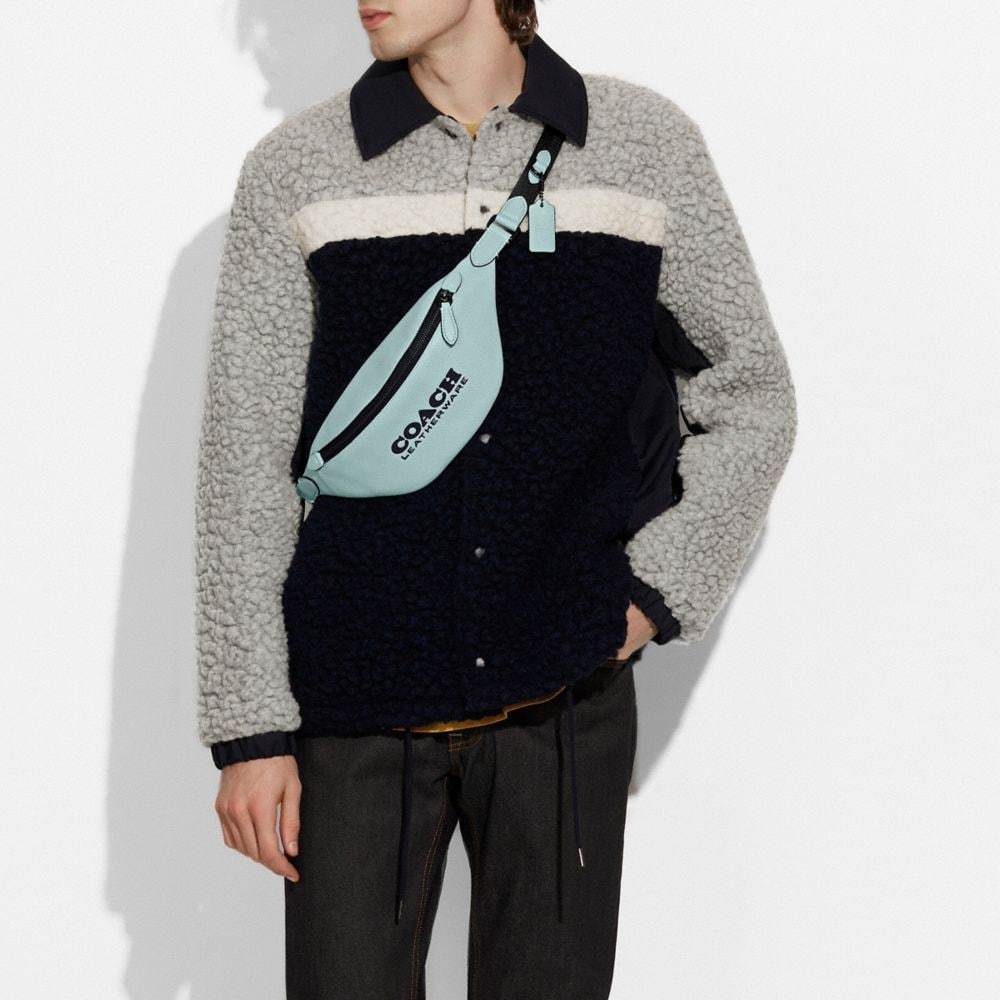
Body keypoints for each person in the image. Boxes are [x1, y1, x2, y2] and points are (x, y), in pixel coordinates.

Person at [194, 1, 797, 997]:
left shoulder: (643, 145)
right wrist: (249, 731)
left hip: (562, 705)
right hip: (352, 711)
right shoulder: (296, 169)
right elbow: (244, 465)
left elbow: (752, 396)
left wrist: (650, 595)